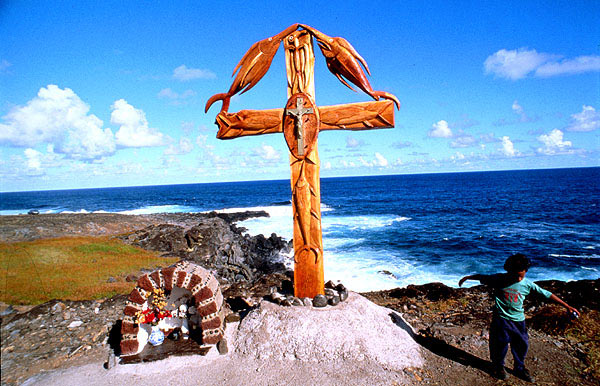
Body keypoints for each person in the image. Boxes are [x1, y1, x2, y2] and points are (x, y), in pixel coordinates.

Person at [459, 253, 579, 382]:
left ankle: (519, 368)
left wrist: (566, 305)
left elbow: (546, 294)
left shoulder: (527, 284)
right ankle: (498, 367)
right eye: (515, 275)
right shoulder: (499, 279)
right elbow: (482, 277)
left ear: (526, 271)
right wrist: (467, 277)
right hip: (501, 320)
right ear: (508, 270)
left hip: (518, 321)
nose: (518, 279)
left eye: (521, 276)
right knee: (499, 345)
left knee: (521, 345)